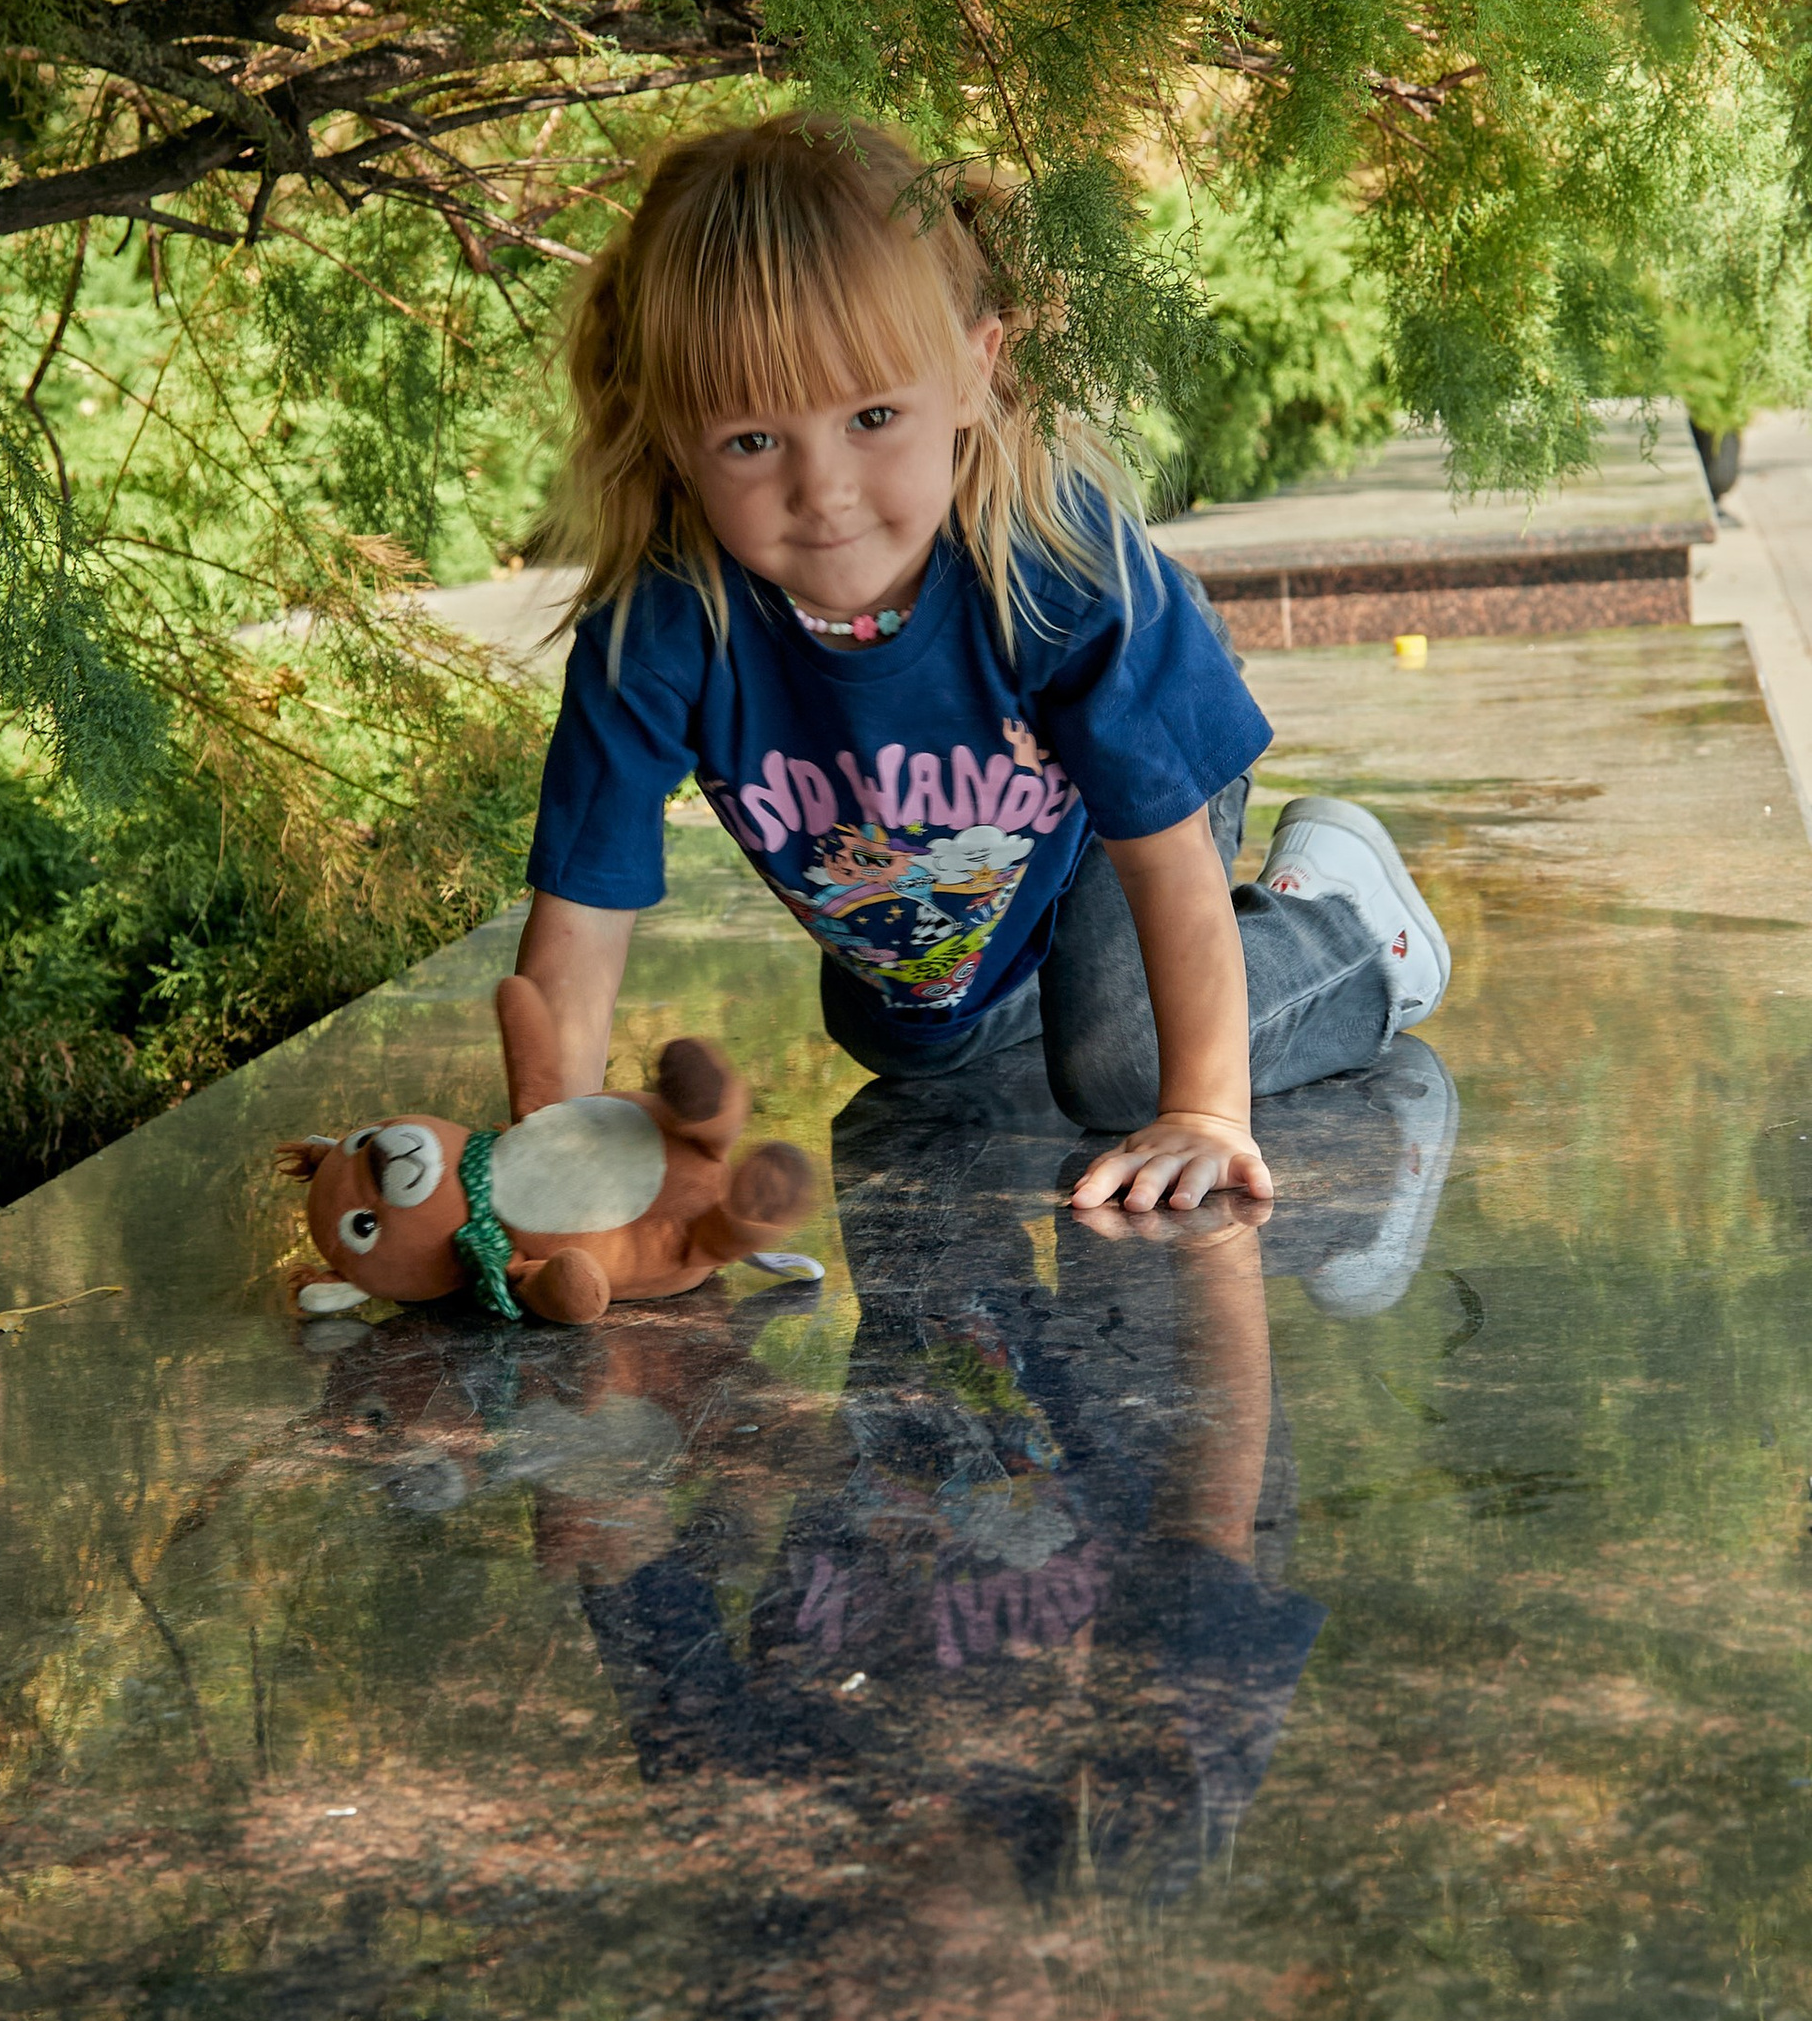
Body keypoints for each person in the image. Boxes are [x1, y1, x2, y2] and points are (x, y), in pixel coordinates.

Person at [514, 113, 1449, 1210]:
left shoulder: (1059, 574)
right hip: (962, 867)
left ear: (971, 372)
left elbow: (1163, 858)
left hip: (1124, 789)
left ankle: (1344, 931)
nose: (823, 490)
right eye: (752, 441)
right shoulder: (659, 630)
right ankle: (1071, 989)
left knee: (1122, 1068)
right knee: (903, 1036)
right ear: (673, 430)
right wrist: (546, 1172)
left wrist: (1200, 1109)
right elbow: (577, 921)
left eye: (871, 416)